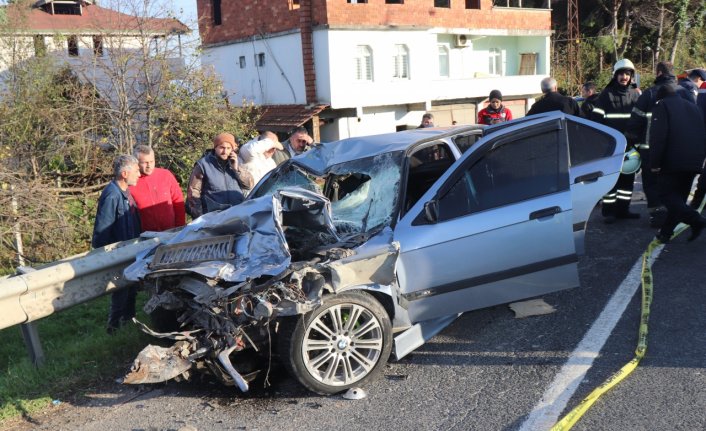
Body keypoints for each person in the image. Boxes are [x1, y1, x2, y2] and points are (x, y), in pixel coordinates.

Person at [626, 61, 694, 228]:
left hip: (651, 150)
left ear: (658, 73)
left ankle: (657, 215)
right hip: (679, 150)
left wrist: (631, 143)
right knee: (676, 183)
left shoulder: (649, 94)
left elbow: (635, 122)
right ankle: (675, 213)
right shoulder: (686, 93)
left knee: (651, 183)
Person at [649, 83, 706, 243]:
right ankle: (665, 233)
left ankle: (696, 220)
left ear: (660, 97)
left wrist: (654, 163)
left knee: (666, 195)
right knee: (678, 200)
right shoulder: (693, 108)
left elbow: (658, 137)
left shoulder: (663, 106)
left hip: (671, 161)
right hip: (694, 160)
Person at [92, 155, 142, 333]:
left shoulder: (126, 193)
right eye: (136, 171)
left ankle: (128, 323)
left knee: (130, 289)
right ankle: (113, 328)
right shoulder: (112, 195)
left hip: (129, 250)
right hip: (117, 253)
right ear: (124, 173)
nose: (139, 175)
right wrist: (104, 257)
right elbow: (102, 230)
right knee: (120, 291)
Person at [592, 59, 642, 223]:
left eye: (627, 74)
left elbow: (641, 121)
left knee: (628, 179)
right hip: (611, 146)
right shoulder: (606, 95)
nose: (624, 77)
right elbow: (596, 121)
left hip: (630, 146)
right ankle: (609, 212)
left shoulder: (635, 95)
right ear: (615, 76)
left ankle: (623, 210)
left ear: (631, 76)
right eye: (621, 74)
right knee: (612, 180)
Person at [187, 132, 254, 218]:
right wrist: (200, 217)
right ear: (215, 147)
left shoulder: (235, 162)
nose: (225, 151)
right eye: (222, 147)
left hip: (236, 215)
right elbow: (193, 193)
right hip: (213, 217)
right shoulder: (203, 165)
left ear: (232, 149)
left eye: (228, 148)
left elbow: (249, 185)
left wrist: (237, 169)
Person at [129, 145, 185, 232]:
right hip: (145, 236)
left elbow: (178, 202)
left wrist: (180, 228)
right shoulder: (131, 182)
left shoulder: (166, 175)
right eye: (145, 162)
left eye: (152, 161)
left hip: (172, 232)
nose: (149, 165)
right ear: (136, 163)